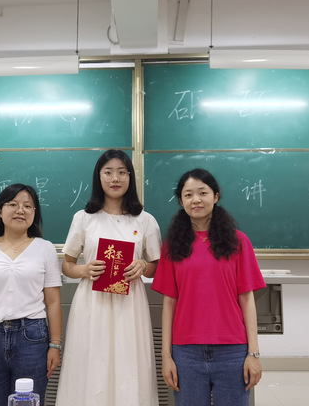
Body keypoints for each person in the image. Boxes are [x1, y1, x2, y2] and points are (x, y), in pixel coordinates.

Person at [55, 149, 162, 406]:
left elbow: (157, 267)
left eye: (122, 172)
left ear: (130, 177)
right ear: (98, 176)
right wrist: (84, 270)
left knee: (130, 364)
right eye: (108, 172)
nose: (115, 178)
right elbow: (67, 265)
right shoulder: (83, 218)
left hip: (130, 305)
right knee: (90, 363)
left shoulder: (145, 220)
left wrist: (142, 266)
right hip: (92, 303)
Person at [152, 169, 266, 406]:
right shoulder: (172, 246)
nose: (196, 200)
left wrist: (253, 353)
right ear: (181, 201)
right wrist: (166, 357)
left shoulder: (238, 241)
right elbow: (169, 303)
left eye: (202, 193)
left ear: (215, 196)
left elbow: (247, 299)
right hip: (186, 353)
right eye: (188, 195)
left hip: (233, 351)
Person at [0, 183, 62, 406]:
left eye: (28, 206)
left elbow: (53, 301)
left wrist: (55, 345)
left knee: (29, 402)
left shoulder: (45, 249)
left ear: (35, 213)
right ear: (0, 210)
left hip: (32, 338)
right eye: (13, 204)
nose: (20, 210)